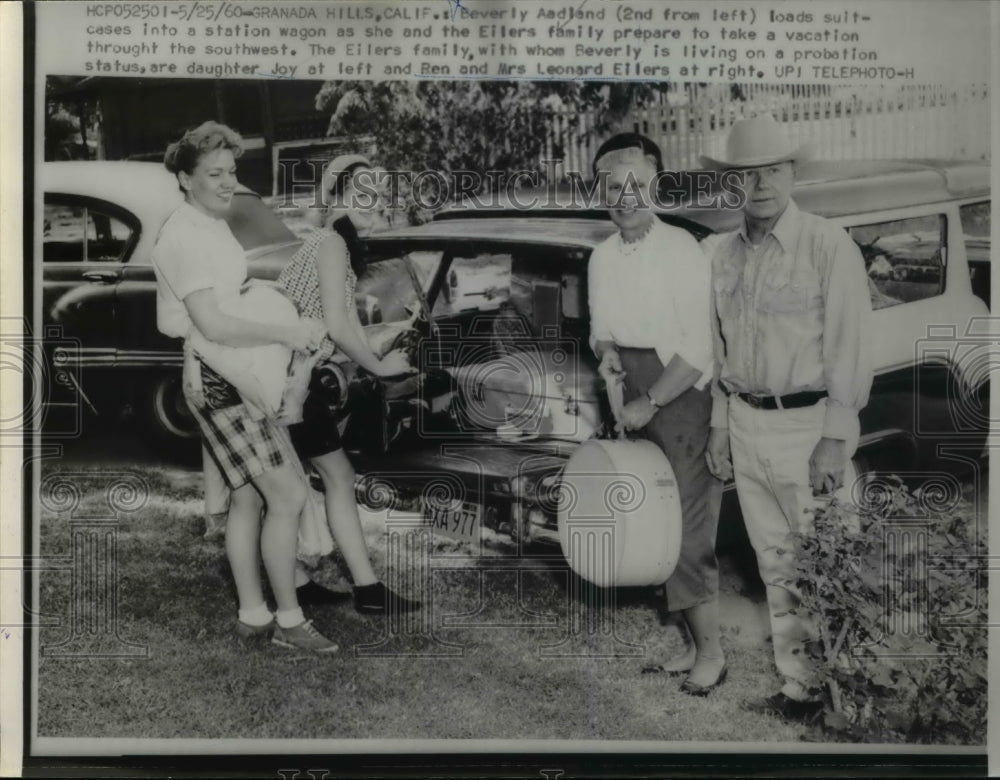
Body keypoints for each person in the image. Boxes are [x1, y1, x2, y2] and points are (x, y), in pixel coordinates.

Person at [701, 115, 873, 721]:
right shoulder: (721, 256)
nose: (761, 184)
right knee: (775, 561)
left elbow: (849, 347)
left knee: (829, 558)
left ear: (793, 173)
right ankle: (801, 688)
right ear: (732, 182)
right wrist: (722, 423)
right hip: (747, 423)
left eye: (773, 169)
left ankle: (849, 695)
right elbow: (718, 351)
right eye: (747, 173)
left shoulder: (828, 244)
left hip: (808, 426)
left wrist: (835, 438)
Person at [151, 121, 338, 653]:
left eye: (232, 171)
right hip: (223, 373)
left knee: (247, 500)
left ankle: (254, 615)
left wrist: (258, 291)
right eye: (214, 173)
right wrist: (288, 329)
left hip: (230, 368)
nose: (228, 182)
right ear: (186, 179)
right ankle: (290, 621)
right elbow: (211, 324)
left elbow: (223, 296)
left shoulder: (209, 223)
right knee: (289, 494)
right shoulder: (182, 236)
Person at [588, 133, 726, 696]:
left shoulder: (680, 249)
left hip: (682, 399)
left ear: (657, 187)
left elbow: (700, 348)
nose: (625, 196)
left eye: (637, 185)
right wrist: (609, 362)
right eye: (613, 185)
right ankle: (692, 643)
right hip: (631, 395)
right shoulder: (599, 255)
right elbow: (601, 334)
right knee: (652, 528)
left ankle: (713, 655)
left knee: (687, 535)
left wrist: (653, 401)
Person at [277, 154, 421, 615]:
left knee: (291, 483)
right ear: (336, 195)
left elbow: (347, 328)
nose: (372, 203)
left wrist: (381, 357)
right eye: (361, 193)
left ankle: (299, 582)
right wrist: (379, 370)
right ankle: (368, 589)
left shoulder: (330, 242)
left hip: (288, 374)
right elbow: (337, 329)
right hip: (289, 378)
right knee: (336, 476)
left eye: (377, 196)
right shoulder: (331, 244)